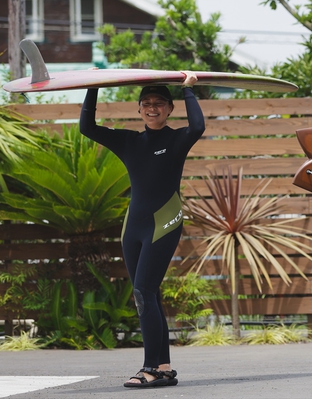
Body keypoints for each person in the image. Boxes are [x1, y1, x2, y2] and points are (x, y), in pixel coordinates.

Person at [79, 73, 204, 388]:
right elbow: (87, 128)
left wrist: (189, 88)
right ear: (138, 109)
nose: (152, 108)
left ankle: (149, 367)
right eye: (146, 104)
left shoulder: (177, 139)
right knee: (150, 294)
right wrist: (93, 87)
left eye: (159, 103)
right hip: (132, 227)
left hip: (165, 221)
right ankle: (162, 367)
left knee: (143, 292)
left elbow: (199, 126)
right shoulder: (129, 141)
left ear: (169, 108)